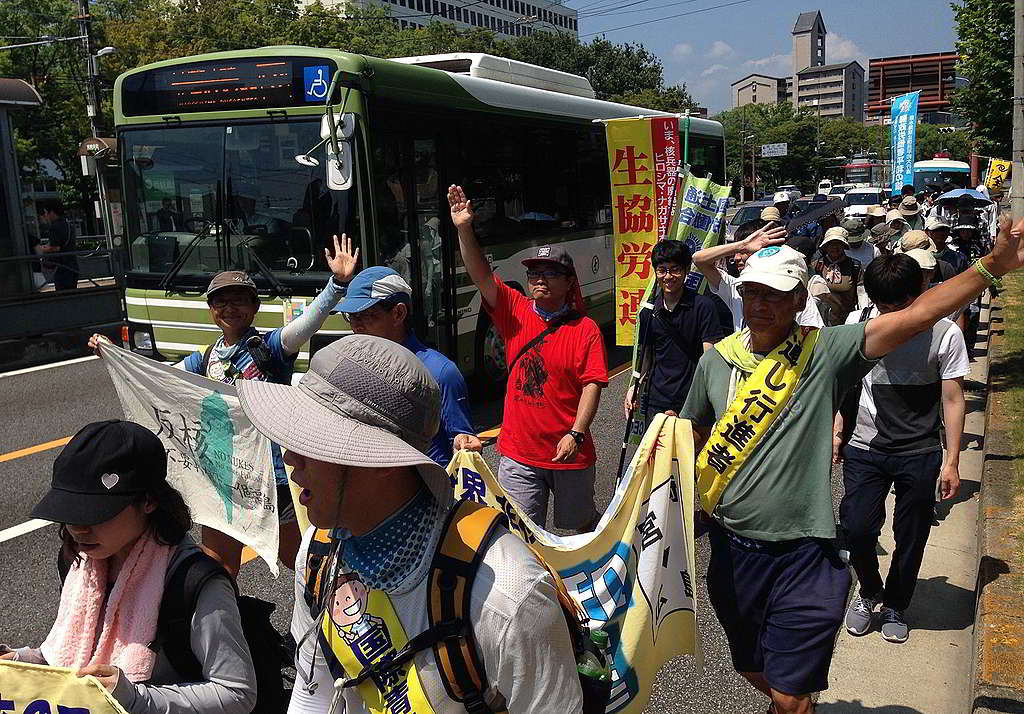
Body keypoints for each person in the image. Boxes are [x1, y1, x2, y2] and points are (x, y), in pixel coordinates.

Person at [679, 213, 1024, 714]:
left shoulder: (825, 353)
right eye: (753, 292)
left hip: (805, 554)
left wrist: (993, 265)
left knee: (792, 695)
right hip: (734, 553)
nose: (761, 305)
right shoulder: (717, 363)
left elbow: (917, 316)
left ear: (801, 301)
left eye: (776, 295)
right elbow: (693, 431)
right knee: (753, 669)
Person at [235, 335, 584, 712]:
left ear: (379, 460)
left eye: (313, 443)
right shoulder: (320, 553)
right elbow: (313, 692)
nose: (290, 458)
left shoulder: (507, 592)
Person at [89, 234, 360, 576]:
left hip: (271, 479)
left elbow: (307, 323)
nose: (230, 308)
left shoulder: (271, 348)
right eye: (221, 302)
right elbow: (158, 377)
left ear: (254, 307)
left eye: (239, 300)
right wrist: (115, 355)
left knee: (302, 563)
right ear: (211, 310)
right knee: (218, 564)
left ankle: (338, 613)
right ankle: (225, 625)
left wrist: (337, 284)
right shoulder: (204, 359)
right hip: (222, 475)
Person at [2, 420, 257, 714]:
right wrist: (21, 660)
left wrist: (135, 698)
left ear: (149, 500)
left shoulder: (195, 581)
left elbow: (237, 692)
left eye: (95, 513)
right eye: (69, 512)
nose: (78, 529)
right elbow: (72, 654)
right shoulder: (80, 562)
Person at [448, 185, 607, 533]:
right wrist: (464, 228)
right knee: (520, 533)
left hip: (570, 451)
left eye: (550, 273)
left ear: (569, 282)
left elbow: (592, 384)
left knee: (581, 529)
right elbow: (480, 274)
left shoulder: (585, 328)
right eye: (535, 273)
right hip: (518, 454)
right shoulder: (514, 311)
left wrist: (576, 434)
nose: (539, 279)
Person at [835, 254, 968, 644]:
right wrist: (837, 429)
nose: (891, 314)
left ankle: (896, 603)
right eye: (883, 305)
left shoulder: (945, 334)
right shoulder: (857, 323)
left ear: (921, 293)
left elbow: (953, 398)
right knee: (857, 528)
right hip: (865, 445)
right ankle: (869, 592)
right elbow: (843, 381)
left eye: (900, 305)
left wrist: (952, 461)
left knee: (911, 534)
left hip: (919, 450)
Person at [337, 264, 483, 465]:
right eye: (351, 317)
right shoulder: (354, 366)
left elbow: (461, 439)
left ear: (398, 313)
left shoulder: (440, 372)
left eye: (366, 315)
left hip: (428, 490)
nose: (356, 325)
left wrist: (464, 442)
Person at [624, 240, 724, 428]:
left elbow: (710, 358)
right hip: (657, 400)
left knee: (690, 456)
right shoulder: (649, 311)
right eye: (662, 270)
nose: (668, 276)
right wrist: (634, 386)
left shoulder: (703, 307)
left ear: (686, 270)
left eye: (675, 269)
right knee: (655, 455)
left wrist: (710, 398)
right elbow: (646, 355)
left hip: (693, 401)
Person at [693, 221, 825, 330]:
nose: (736, 257)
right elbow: (699, 260)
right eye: (750, 293)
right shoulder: (735, 287)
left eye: (772, 295)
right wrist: (741, 245)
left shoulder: (791, 290)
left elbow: (815, 334)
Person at [812, 226, 862, 325]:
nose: (834, 247)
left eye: (838, 244)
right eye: (830, 244)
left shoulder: (854, 265)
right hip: (823, 321)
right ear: (825, 246)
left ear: (844, 246)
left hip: (848, 320)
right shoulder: (817, 265)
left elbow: (861, 293)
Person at [37, 199, 78, 291]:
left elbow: (55, 248)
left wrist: (41, 249)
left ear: (52, 212)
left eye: (46, 212)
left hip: (62, 267)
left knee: (62, 294)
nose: (46, 216)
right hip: (72, 265)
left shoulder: (54, 227)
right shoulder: (67, 223)